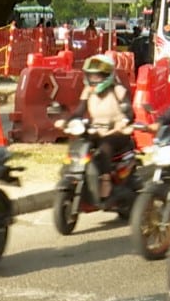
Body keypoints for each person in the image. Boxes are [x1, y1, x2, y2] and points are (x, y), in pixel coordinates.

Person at [56, 53, 134, 200]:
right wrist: (66, 122)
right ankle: (75, 174)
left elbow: (129, 113)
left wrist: (123, 122)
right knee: (79, 143)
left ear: (107, 76)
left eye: (97, 76)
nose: (93, 80)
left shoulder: (118, 90)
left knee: (105, 147)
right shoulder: (88, 91)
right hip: (96, 129)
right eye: (91, 76)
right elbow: (79, 111)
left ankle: (105, 181)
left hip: (117, 131)